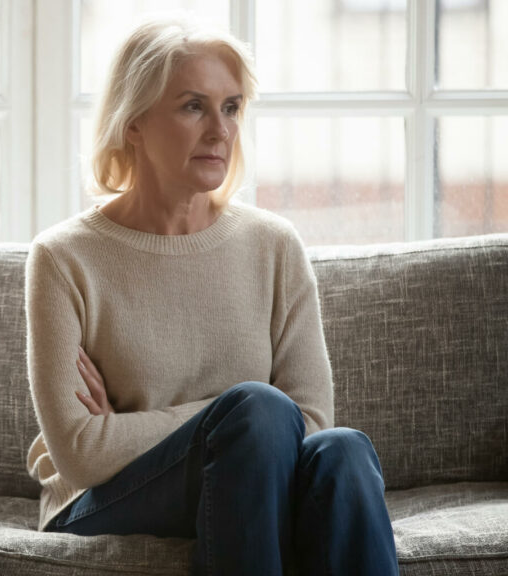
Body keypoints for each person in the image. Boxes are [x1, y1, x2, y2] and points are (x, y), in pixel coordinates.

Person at [25, 17, 398, 576]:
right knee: (262, 410)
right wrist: (232, 418)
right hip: (104, 501)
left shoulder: (273, 244)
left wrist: (154, 425)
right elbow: (81, 453)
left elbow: (314, 420)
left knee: (342, 452)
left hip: (255, 482)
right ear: (134, 122)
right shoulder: (63, 257)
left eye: (231, 107)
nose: (220, 130)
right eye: (193, 106)